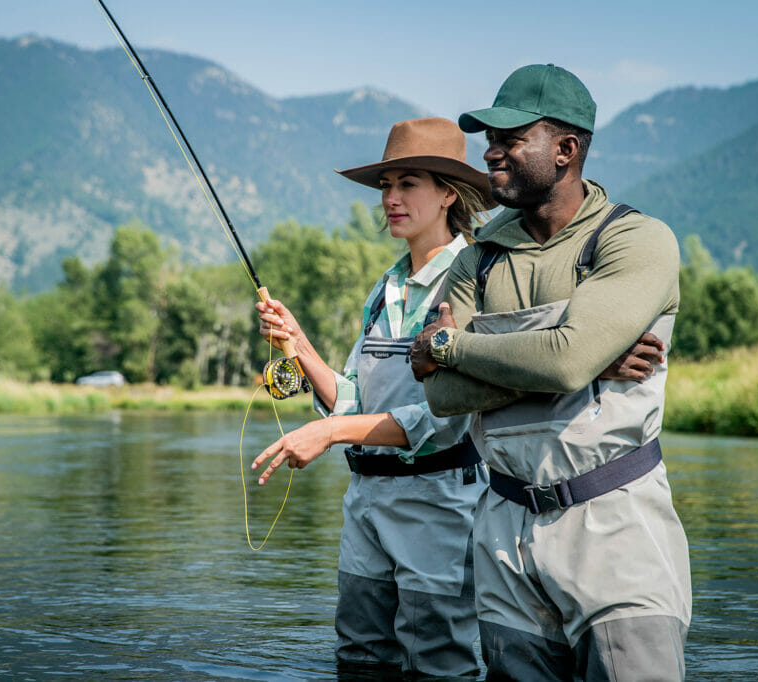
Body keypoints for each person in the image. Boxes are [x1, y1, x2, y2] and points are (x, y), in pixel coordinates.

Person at [252, 117, 670, 679]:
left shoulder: (475, 274)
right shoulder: (386, 287)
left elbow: (442, 416)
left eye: (407, 184)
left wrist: (327, 433)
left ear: (449, 193)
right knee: (359, 657)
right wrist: (298, 344)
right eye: (385, 186)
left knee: (437, 663)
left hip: (440, 502)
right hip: (366, 501)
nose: (391, 199)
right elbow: (351, 399)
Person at [410, 65, 692, 680]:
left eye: (511, 139)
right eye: (490, 138)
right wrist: (585, 357)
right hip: (502, 534)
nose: (491, 153)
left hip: (615, 525)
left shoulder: (637, 240)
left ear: (566, 150)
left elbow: (551, 362)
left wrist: (455, 345)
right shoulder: (479, 256)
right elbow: (442, 396)